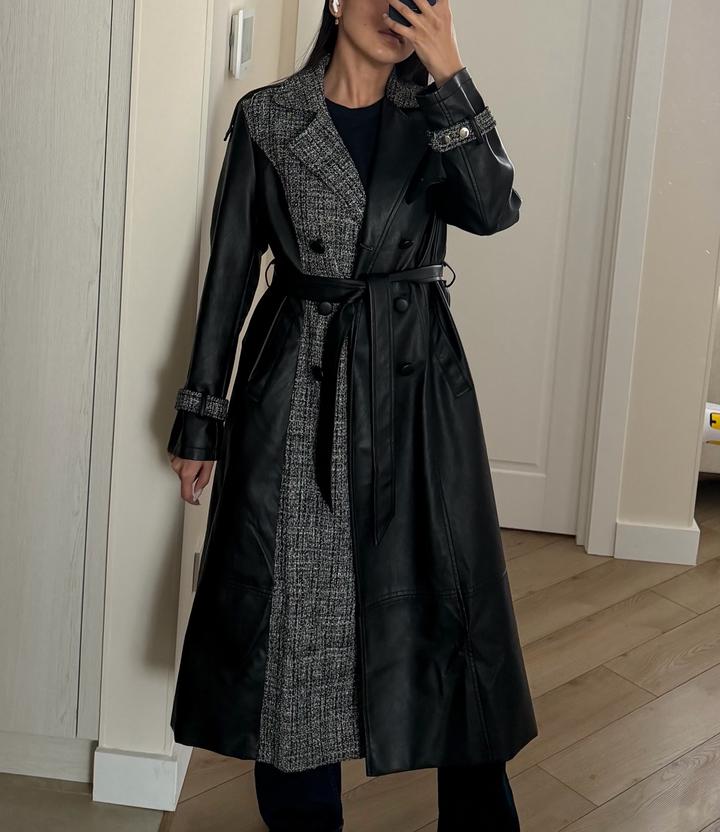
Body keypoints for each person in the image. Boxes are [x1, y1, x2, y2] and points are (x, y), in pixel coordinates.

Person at [167, 0, 537, 828]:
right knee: (297, 632)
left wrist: (450, 72)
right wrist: (202, 417)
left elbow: (494, 209)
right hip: (298, 395)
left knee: (453, 621)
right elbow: (231, 271)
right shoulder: (270, 116)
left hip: (418, 401)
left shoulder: (434, 111)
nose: (393, 11)